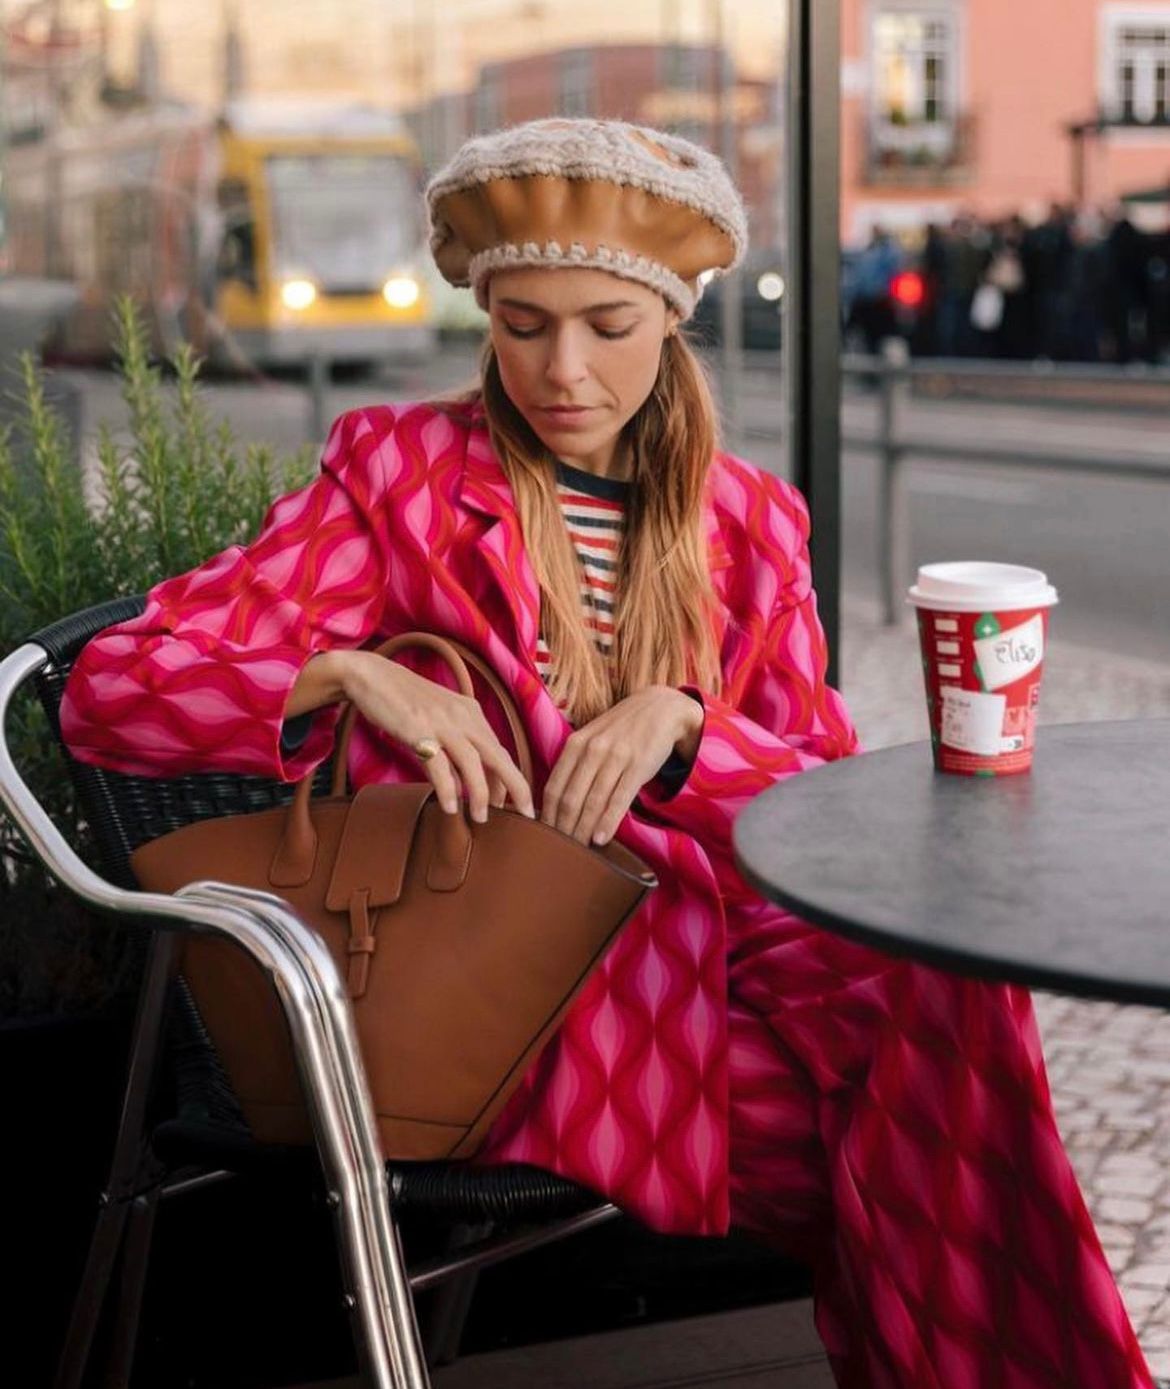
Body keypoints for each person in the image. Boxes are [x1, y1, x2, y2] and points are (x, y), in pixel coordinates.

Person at [59, 117, 1153, 1388]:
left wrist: (684, 728)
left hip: (721, 937)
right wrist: (347, 676)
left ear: (671, 320)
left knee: (952, 997)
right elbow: (113, 687)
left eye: (605, 327)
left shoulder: (748, 521)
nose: (559, 369)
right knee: (929, 1151)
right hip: (515, 986)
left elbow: (823, 795)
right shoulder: (400, 474)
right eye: (520, 325)